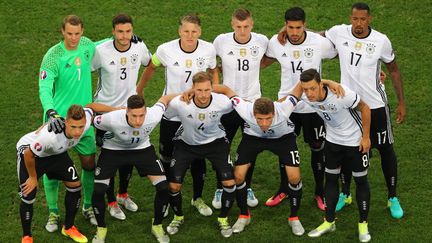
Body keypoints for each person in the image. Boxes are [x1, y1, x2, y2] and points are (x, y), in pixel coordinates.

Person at [323, 2, 405, 218]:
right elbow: (317, 36)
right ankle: (346, 194)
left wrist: (401, 103)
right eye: (355, 19)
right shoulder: (339, 33)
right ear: (350, 18)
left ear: (370, 19)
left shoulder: (381, 41)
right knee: (348, 150)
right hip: (349, 106)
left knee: (385, 149)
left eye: (362, 19)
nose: (358, 23)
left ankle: (392, 197)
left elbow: (393, 70)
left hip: (376, 106)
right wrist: (295, 31)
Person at [136, 14, 218, 216]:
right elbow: (151, 66)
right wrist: (139, 89)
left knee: (198, 156)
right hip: (172, 113)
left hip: (198, 113)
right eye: (186, 31)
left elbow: (214, 70)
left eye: (194, 31)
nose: (190, 35)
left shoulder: (208, 49)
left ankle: (197, 198)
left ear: (200, 32)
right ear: (179, 31)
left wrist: (213, 91)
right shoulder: (165, 49)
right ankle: (166, 196)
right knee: (166, 156)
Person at [260, 7, 337, 209]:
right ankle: (284, 188)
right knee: (284, 147)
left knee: (318, 148)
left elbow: (344, 52)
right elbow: (263, 61)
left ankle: (320, 193)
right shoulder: (276, 42)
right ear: (285, 25)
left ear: (305, 25)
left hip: (315, 107)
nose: (294, 32)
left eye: (298, 28)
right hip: (287, 107)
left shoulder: (318, 42)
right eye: (290, 27)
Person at [210, 83, 309, 236]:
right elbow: (226, 90)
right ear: (253, 113)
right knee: (238, 176)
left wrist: (329, 84)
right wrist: (193, 91)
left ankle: (294, 217)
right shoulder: (244, 108)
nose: (264, 123)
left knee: (294, 178)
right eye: (259, 119)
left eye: (268, 119)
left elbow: (301, 86)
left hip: (283, 138)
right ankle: (244, 215)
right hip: (254, 138)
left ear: (274, 113)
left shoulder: (285, 107)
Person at [17, 104, 114, 243]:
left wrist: (119, 109)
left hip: (57, 153)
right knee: (28, 194)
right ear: (66, 122)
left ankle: (68, 227)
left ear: (86, 123)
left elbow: (90, 107)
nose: (77, 132)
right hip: (32, 155)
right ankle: (27, 236)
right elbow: (28, 154)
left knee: (75, 185)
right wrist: (33, 177)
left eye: (81, 127)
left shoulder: (84, 122)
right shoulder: (50, 137)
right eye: (73, 127)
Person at [298, 69, 372, 242]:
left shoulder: (341, 94)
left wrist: (366, 137)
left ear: (320, 85)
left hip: (355, 142)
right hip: (332, 142)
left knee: (361, 181)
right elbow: (292, 95)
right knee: (330, 180)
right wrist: (327, 80)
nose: (309, 93)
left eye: (312, 89)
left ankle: (363, 224)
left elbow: (365, 108)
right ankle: (329, 221)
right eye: (305, 89)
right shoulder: (307, 96)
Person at [38, 15, 97, 231]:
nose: (73, 38)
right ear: (62, 31)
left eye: (77, 33)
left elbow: (103, 46)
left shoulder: (87, 45)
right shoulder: (53, 56)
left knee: (89, 163)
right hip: (59, 121)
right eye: (69, 33)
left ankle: (88, 206)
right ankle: (53, 213)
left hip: (84, 121)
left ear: (82, 32)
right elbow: (44, 87)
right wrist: (51, 112)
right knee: (52, 168)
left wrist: (124, 42)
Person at [91, 94, 176, 243]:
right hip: (113, 150)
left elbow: (165, 99)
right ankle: (101, 228)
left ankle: (157, 225)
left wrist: (191, 92)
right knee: (98, 191)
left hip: (142, 150)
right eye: (134, 116)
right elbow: (90, 112)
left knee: (163, 187)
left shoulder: (154, 114)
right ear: (126, 112)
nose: (138, 121)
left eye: (141, 115)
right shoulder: (111, 118)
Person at [92, 13, 152, 220]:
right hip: (105, 112)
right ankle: (111, 203)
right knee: (109, 158)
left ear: (132, 30)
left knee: (128, 154)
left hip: (129, 112)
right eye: (120, 32)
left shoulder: (139, 47)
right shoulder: (100, 51)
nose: (124, 36)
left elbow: (149, 63)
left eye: (128, 31)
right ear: (113, 32)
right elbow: (83, 71)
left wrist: (140, 90)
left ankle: (123, 194)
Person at [163, 72, 236, 238]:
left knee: (229, 183)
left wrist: (228, 91)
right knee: (174, 186)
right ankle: (178, 216)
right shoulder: (180, 103)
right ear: (192, 89)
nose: (203, 95)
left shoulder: (223, 102)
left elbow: (237, 102)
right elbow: (166, 116)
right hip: (186, 144)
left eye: (207, 90)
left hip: (215, 144)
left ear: (212, 88)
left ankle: (223, 219)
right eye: (199, 90)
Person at [211, 8, 268, 209]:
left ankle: (247, 186)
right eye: (238, 26)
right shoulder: (221, 41)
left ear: (252, 24)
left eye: (246, 26)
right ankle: (221, 187)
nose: (242, 31)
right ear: (232, 24)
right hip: (227, 104)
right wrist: (218, 86)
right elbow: (210, 61)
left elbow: (274, 53)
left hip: (252, 104)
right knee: (221, 146)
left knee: (250, 147)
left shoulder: (261, 41)